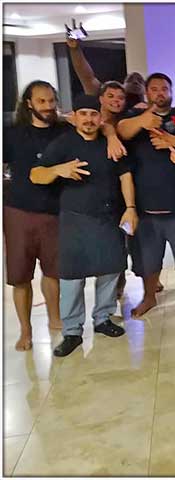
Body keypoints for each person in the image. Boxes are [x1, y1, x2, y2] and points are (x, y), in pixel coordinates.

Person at [29, 94, 137, 357]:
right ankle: (72, 331)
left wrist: (131, 208)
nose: (89, 119)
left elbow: (125, 176)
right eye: (83, 114)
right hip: (74, 219)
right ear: (74, 116)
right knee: (71, 278)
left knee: (111, 270)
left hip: (109, 217)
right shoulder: (63, 144)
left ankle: (102, 319)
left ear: (100, 118)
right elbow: (35, 175)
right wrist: (58, 170)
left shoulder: (110, 144)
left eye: (93, 114)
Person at [117, 72, 175, 317]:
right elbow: (122, 130)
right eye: (154, 89)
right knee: (147, 260)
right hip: (145, 206)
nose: (159, 93)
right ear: (147, 93)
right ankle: (149, 297)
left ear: (171, 92)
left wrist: (170, 139)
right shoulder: (134, 117)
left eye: (164, 89)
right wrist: (143, 121)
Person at [3, 81, 72, 350]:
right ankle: (26, 330)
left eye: (51, 100)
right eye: (42, 101)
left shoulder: (64, 131)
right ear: (29, 103)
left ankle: (56, 321)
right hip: (18, 211)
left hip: (55, 211)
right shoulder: (12, 134)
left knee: (53, 272)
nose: (48, 106)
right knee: (20, 276)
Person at [65, 37, 146, 109]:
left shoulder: (148, 109)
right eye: (130, 79)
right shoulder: (105, 98)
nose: (135, 82)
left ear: (146, 90)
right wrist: (75, 49)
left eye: (139, 80)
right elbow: (87, 78)